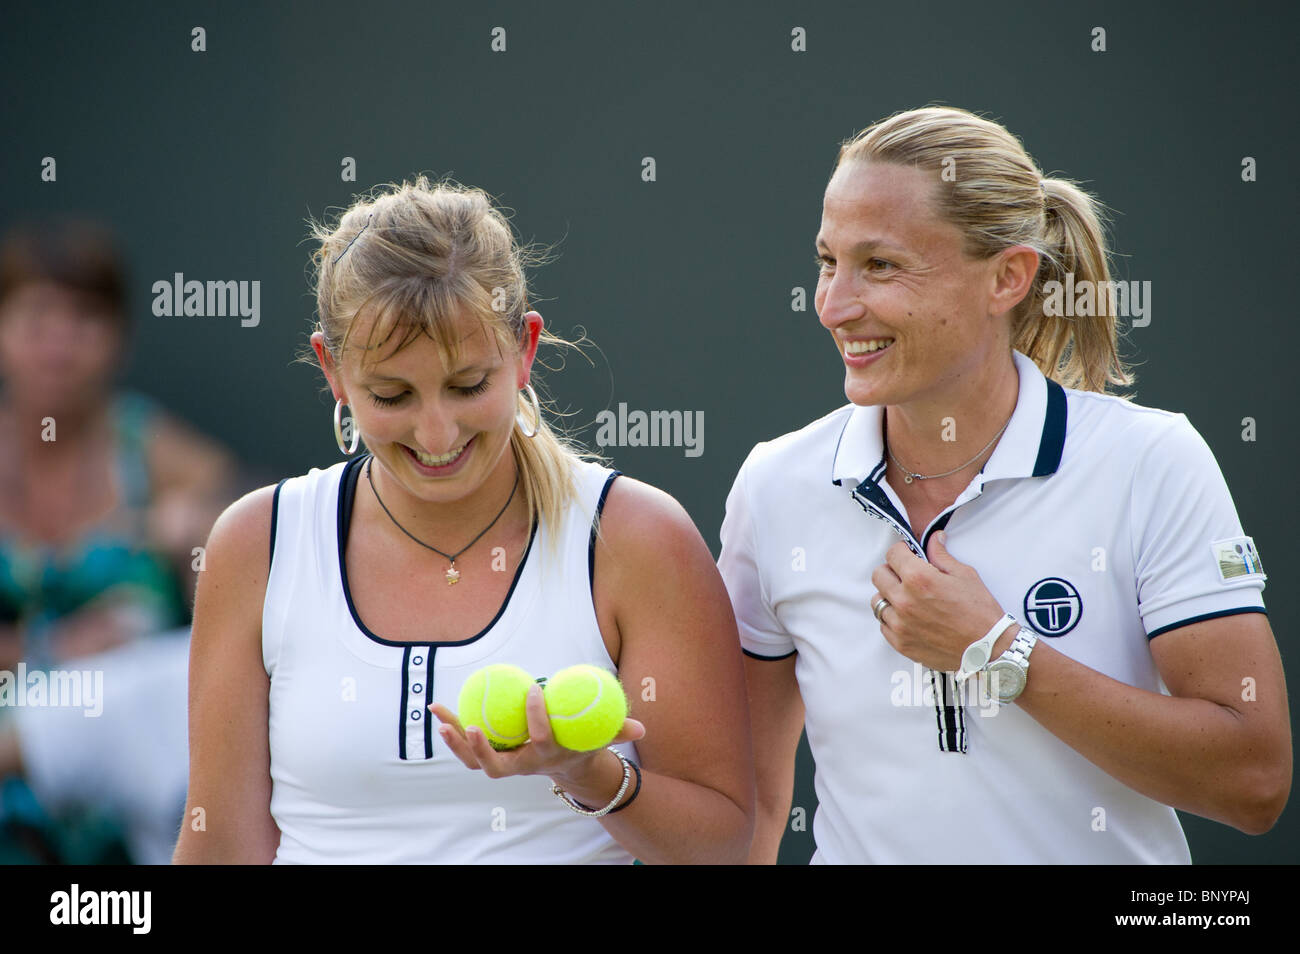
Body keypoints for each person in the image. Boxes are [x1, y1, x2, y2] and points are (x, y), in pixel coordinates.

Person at [719, 106, 1291, 864]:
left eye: (880, 265)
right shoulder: (774, 486)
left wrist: (997, 652)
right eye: (829, 262)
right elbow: (750, 810)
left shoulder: (1152, 460)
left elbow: (1253, 781)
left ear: (1008, 278)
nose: (834, 305)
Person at [173, 177, 753, 864]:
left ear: (525, 349)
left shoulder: (639, 538)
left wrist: (584, 773)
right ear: (332, 370)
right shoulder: (254, 544)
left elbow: (723, 848)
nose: (436, 431)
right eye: (391, 394)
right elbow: (219, 849)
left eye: (468, 385)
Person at [0, 217, 237, 863]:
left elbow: (244, 585)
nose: (59, 344)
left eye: (83, 319)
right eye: (37, 317)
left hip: (136, 804)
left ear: (118, 338)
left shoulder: (159, 454)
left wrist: (199, 538)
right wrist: (46, 653)